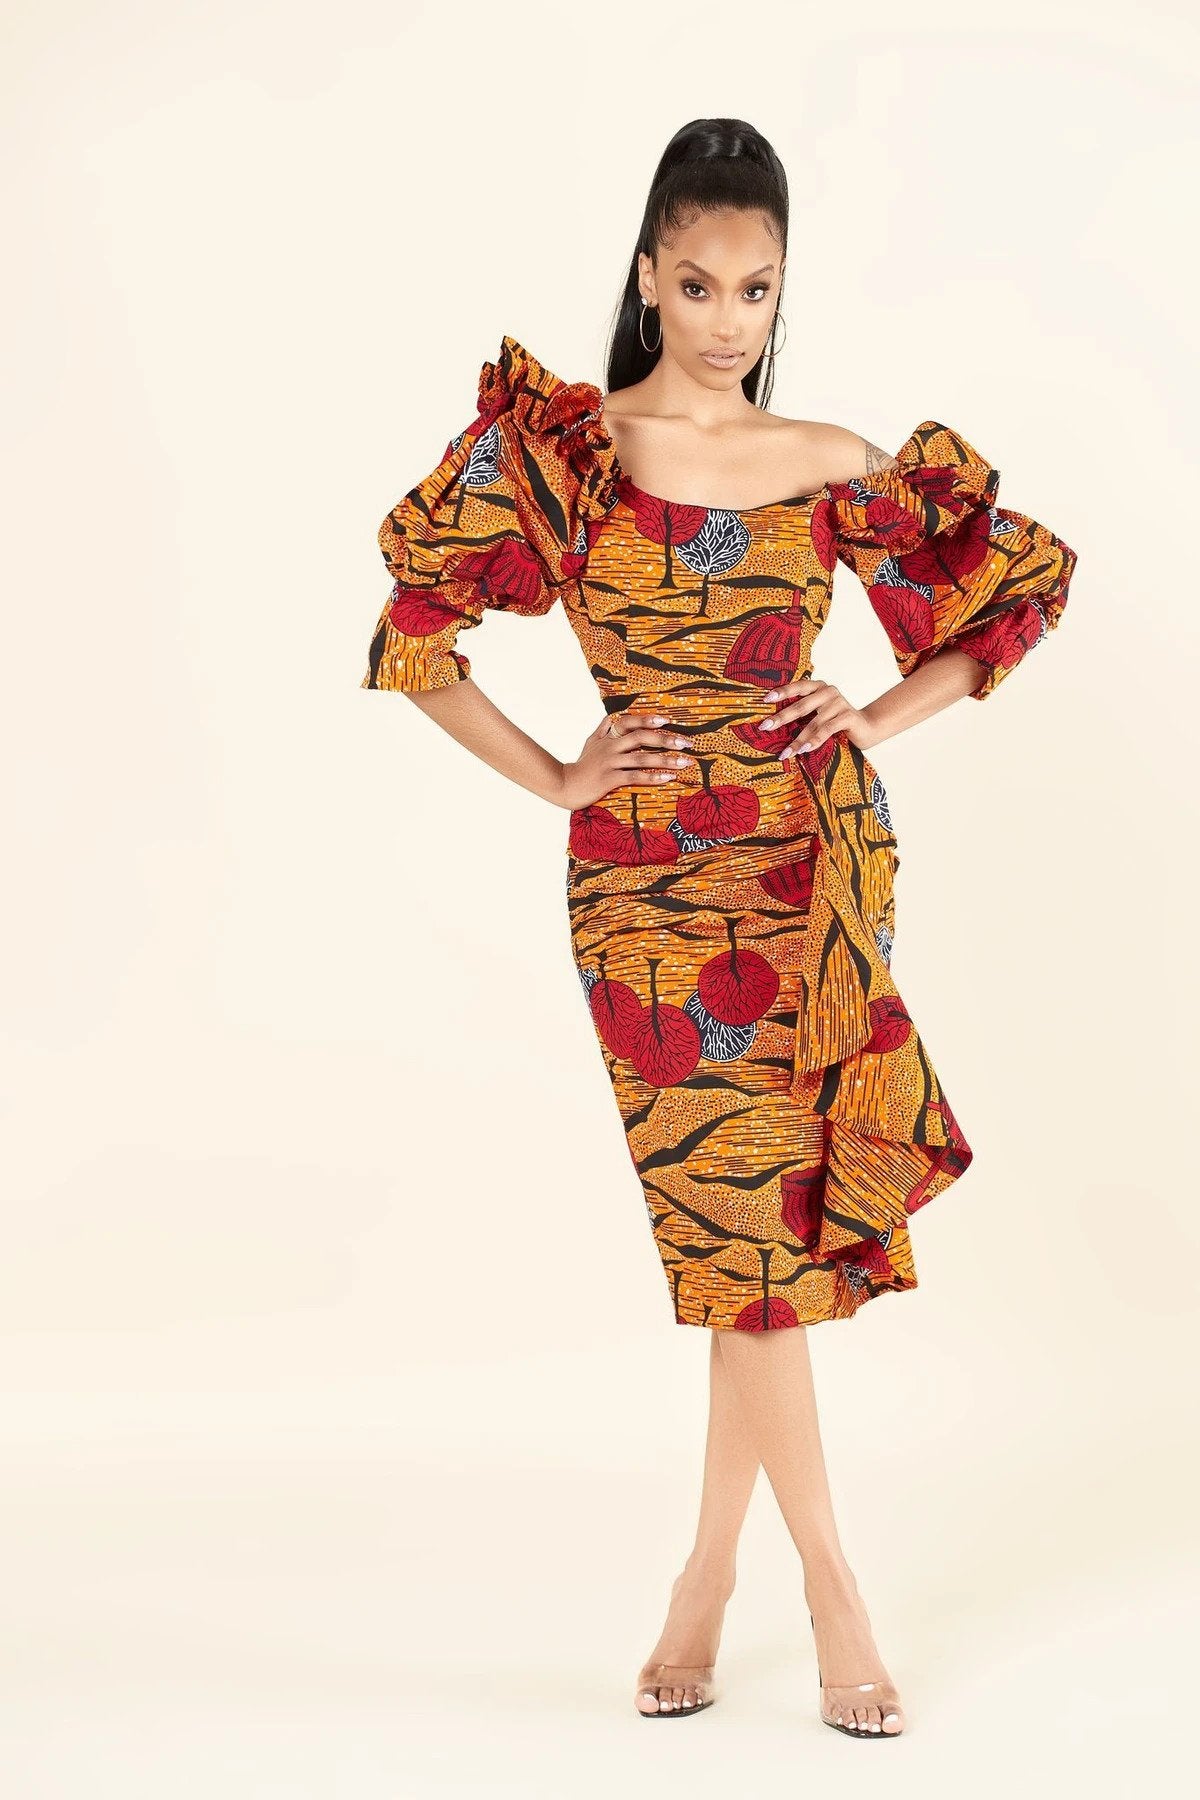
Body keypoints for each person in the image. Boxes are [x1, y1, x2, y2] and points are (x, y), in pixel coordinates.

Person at [361, 117, 1077, 1738]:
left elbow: (1007, 599)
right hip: (645, 903)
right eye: (697, 283)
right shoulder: (566, 456)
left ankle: (707, 1582)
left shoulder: (825, 459)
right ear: (647, 277)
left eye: (757, 288)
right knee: (742, 1252)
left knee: (754, 1258)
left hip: (807, 878)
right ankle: (830, 1591)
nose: (729, 318)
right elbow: (413, 632)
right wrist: (561, 774)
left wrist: (873, 716)